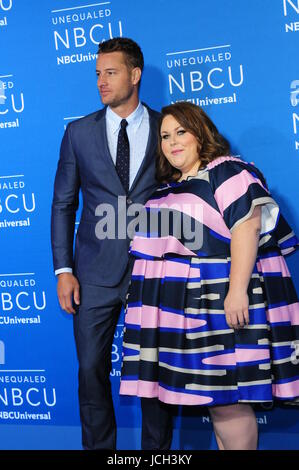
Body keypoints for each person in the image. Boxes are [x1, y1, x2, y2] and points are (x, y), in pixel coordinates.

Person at [120, 101, 299, 450]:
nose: (172, 142)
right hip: (188, 319)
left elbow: (246, 228)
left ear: (201, 133)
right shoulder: (167, 187)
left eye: (181, 132)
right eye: (165, 136)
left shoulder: (227, 170)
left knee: (229, 401)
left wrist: (236, 292)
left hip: (219, 309)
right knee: (219, 404)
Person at [51, 37, 172, 450]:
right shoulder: (78, 133)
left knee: (154, 373)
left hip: (152, 269)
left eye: (111, 72)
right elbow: (63, 205)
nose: (102, 82)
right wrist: (63, 270)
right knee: (90, 370)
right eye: (98, 74)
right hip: (93, 272)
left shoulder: (166, 130)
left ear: (135, 75)